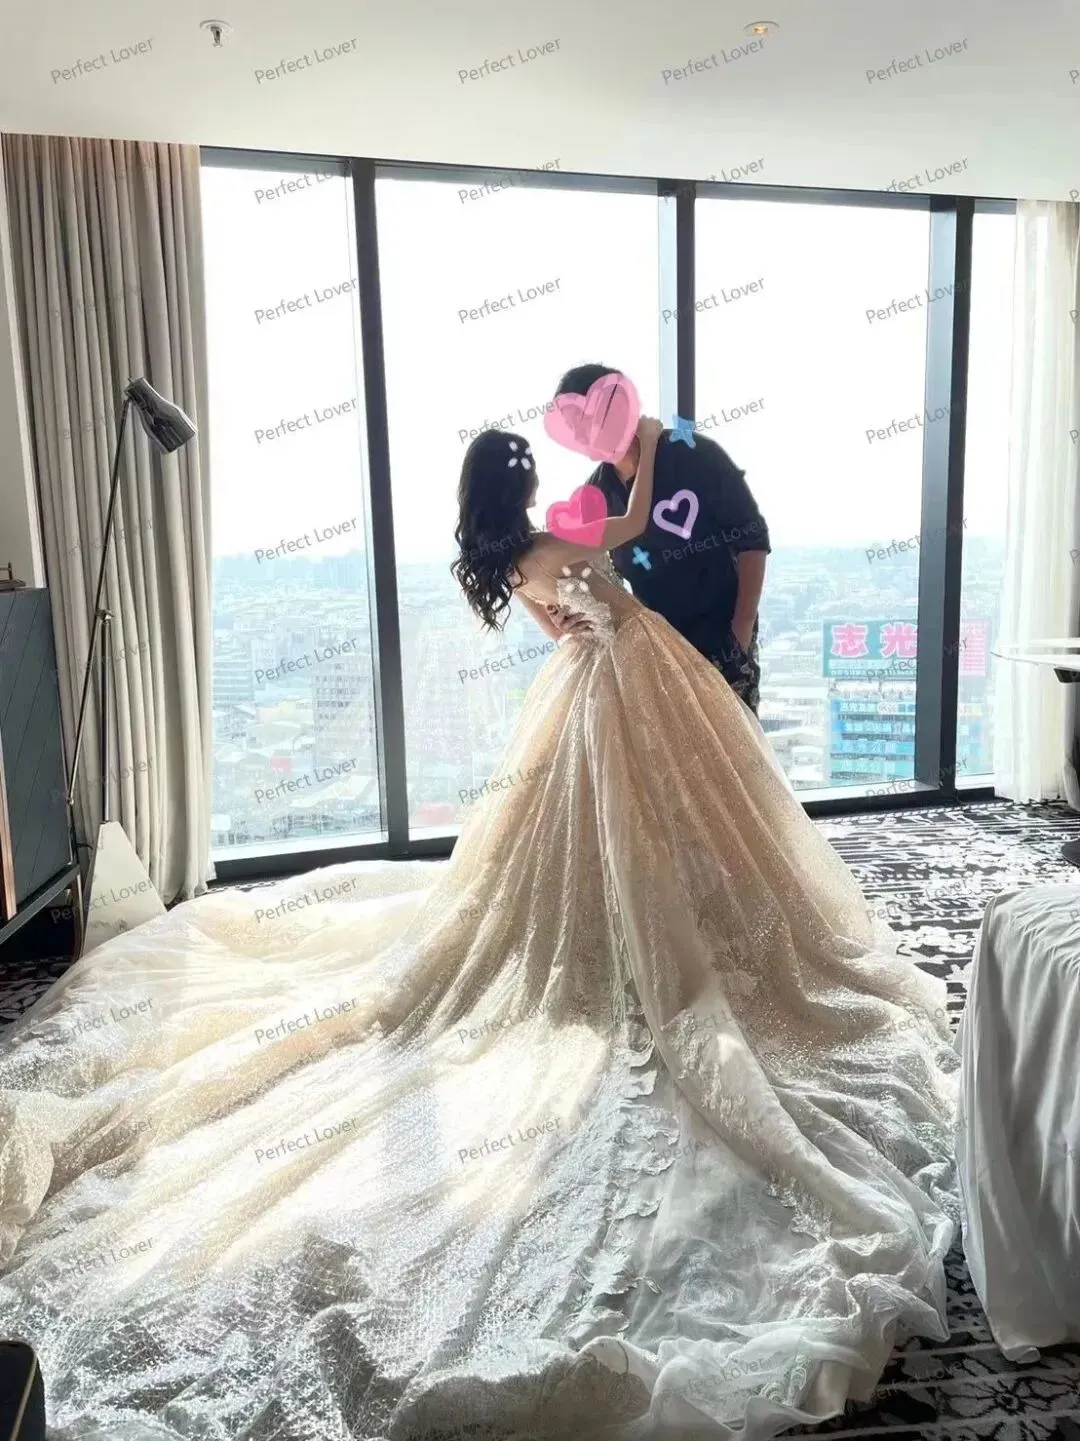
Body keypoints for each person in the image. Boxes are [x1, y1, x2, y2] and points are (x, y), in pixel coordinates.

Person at [0, 421, 957, 1441]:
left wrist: (600, 597)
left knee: (597, 847)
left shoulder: (513, 557)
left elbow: (566, 625)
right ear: (524, 483)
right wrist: (641, 477)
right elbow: (631, 545)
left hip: (583, 692)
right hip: (636, 681)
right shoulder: (559, 538)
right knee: (668, 831)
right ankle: (658, 946)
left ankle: (623, 934)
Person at [550, 362, 770, 713]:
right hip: (657, 653)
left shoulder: (694, 455)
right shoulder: (597, 494)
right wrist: (567, 616)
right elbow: (589, 579)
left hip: (723, 640)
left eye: (586, 420)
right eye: (573, 425)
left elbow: (752, 538)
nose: (581, 435)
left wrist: (740, 629)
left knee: (735, 745)